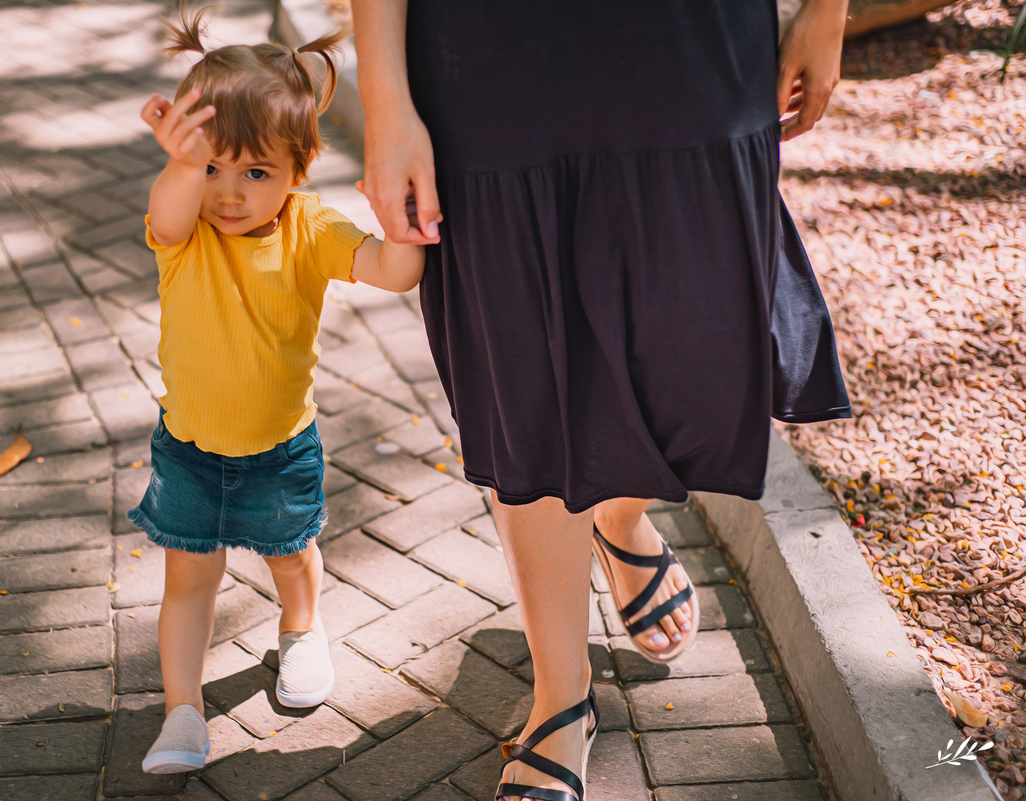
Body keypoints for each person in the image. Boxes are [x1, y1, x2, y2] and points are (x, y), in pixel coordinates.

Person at [352, 1, 853, 800]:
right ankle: (561, 692)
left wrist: (827, 13)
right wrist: (385, 98)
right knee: (526, 380)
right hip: (489, 54)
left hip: (694, 43)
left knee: (695, 346)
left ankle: (617, 521)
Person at [129, 8, 423, 774]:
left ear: (298, 170)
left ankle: (302, 631)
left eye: (255, 172)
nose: (229, 193)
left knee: (292, 557)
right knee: (190, 580)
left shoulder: (310, 228)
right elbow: (167, 205)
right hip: (189, 449)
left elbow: (394, 273)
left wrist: (404, 217)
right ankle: (183, 714)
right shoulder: (186, 224)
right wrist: (182, 164)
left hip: (281, 450)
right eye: (212, 167)